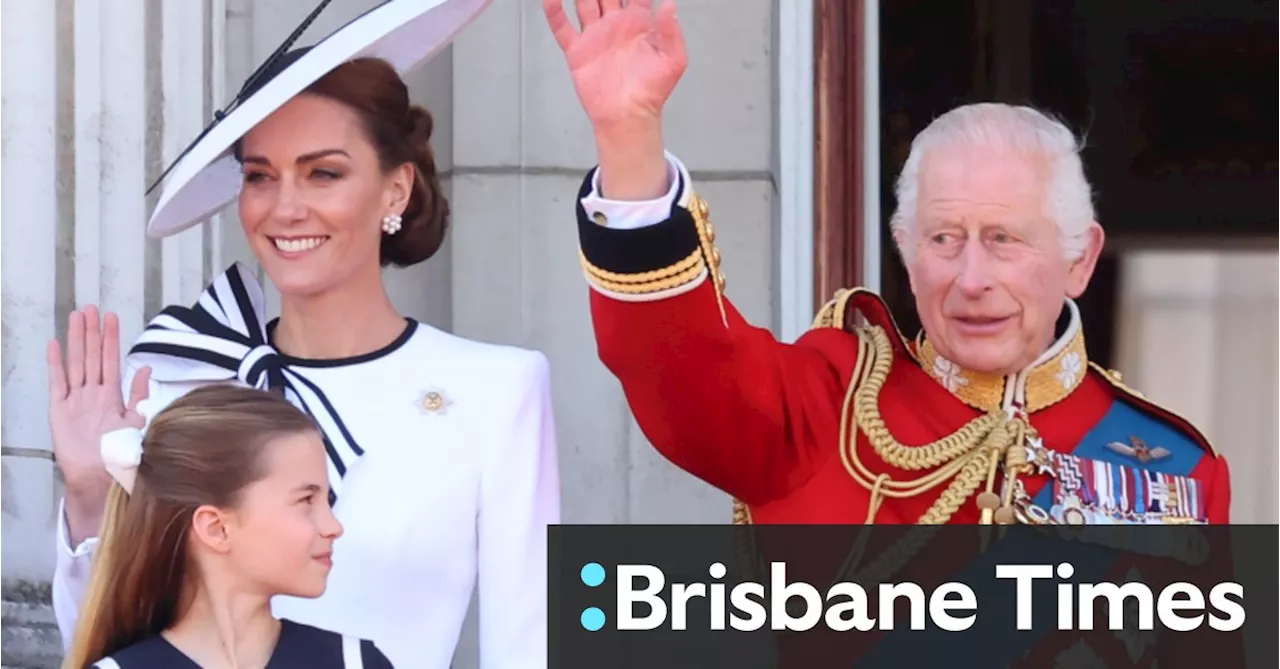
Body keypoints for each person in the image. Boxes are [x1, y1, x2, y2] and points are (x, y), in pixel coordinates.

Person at [543, 0, 1229, 529]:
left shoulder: (1177, 471)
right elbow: (682, 362)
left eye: (1003, 239)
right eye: (943, 239)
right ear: (904, 249)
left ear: (1080, 261)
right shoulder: (826, 410)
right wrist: (628, 134)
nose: (971, 278)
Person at [50, 3, 559, 667]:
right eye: (260, 175)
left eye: (323, 172)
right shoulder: (179, 376)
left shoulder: (496, 390)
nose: (284, 206)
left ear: (395, 190)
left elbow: (529, 643)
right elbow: (106, 644)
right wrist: (92, 497)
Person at [60, 384, 393, 669]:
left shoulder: (356, 663)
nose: (334, 526)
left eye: (328, 501)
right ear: (216, 528)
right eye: (306, 500)